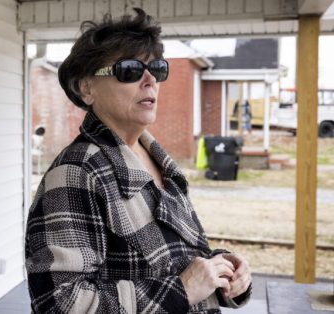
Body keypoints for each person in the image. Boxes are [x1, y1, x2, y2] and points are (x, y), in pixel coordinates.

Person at [25, 8, 252, 313]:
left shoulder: (160, 162)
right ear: (86, 87)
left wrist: (223, 271)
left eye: (156, 68)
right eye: (129, 70)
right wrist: (182, 290)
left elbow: (178, 259)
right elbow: (61, 303)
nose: (150, 80)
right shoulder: (76, 173)